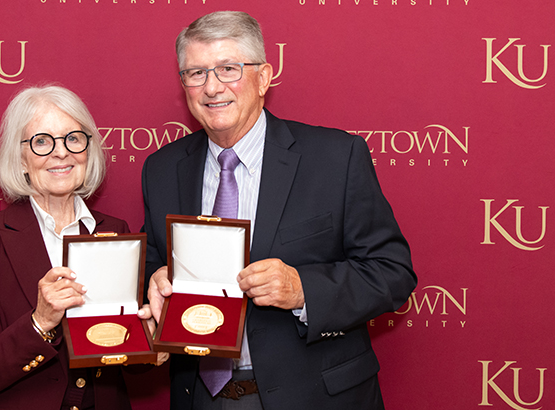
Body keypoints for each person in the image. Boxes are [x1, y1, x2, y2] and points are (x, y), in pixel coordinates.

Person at [138, 11, 417, 410]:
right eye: (196, 73)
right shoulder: (162, 169)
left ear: (264, 77)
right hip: (202, 397)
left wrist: (304, 288)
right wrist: (156, 278)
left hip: (316, 398)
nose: (212, 87)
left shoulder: (335, 158)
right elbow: (152, 263)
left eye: (228, 69)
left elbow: (393, 273)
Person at [0, 85, 133, 410]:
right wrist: (40, 321)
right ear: (20, 158)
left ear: (88, 149)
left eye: (73, 138)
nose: (60, 152)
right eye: (41, 142)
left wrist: (147, 332)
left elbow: (123, 354)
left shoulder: (116, 232)